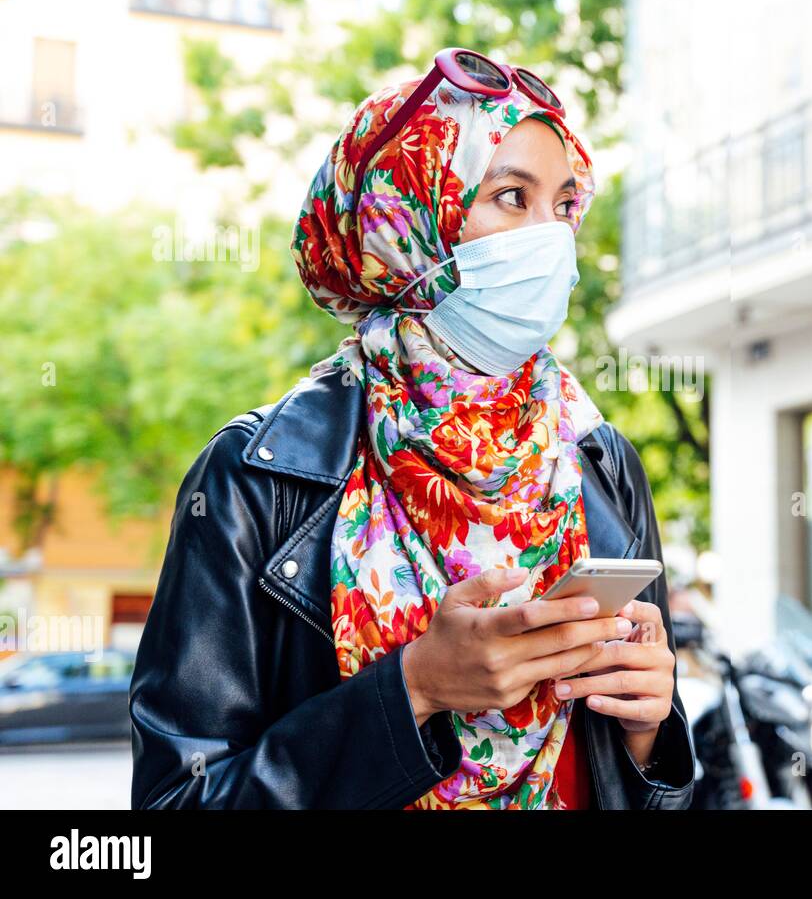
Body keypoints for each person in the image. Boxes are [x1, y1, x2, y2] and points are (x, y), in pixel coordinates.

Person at [128, 49, 696, 810]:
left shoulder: (598, 458)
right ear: (409, 224)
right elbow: (174, 802)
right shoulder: (255, 476)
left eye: (563, 205)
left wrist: (648, 734)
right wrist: (414, 690)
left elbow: (653, 791)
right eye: (509, 196)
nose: (551, 239)